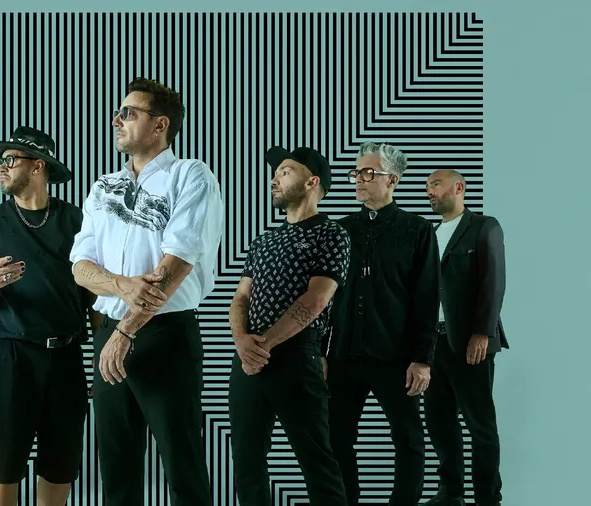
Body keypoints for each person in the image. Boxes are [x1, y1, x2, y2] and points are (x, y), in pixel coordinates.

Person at [70, 77, 224, 506]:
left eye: (129, 113)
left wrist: (126, 330)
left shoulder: (190, 175)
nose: (116, 120)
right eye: (118, 112)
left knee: (182, 465)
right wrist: (121, 286)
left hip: (164, 335)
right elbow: (80, 267)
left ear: (160, 124)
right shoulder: (102, 187)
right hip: (108, 334)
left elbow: (175, 265)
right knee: (116, 469)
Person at [0, 126, 100, 506]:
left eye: (10, 160)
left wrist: (101, 357)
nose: (1, 168)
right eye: (1, 161)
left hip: (66, 357)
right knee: (2, 464)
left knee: (60, 464)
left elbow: (95, 296)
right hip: (7, 356)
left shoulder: (77, 221)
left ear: (38, 166)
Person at [228, 146, 349, 506]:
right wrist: (242, 342)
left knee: (317, 463)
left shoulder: (332, 234)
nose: (274, 179)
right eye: (275, 172)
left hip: (296, 357)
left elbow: (316, 299)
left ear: (312, 182)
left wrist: (262, 345)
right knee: (247, 463)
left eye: (285, 171)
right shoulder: (263, 240)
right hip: (247, 359)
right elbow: (241, 298)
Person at [325, 142, 440, 506]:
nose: (358, 179)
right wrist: (321, 352)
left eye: (368, 173)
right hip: (343, 356)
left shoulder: (417, 230)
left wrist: (422, 359)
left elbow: (427, 297)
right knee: (336, 439)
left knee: (408, 440)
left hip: (397, 358)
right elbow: (323, 299)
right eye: (356, 173)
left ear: (392, 180)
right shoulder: (340, 229)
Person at [422, 169, 507, 506]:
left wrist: (482, 332)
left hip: (471, 342)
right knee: (439, 421)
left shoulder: (484, 227)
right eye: (427, 186)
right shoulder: (429, 234)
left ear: (458, 187)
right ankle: (450, 492)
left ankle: (487, 497)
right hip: (433, 345)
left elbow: (493, 282)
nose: (429, 191)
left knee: (479, 424)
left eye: (435, 184)